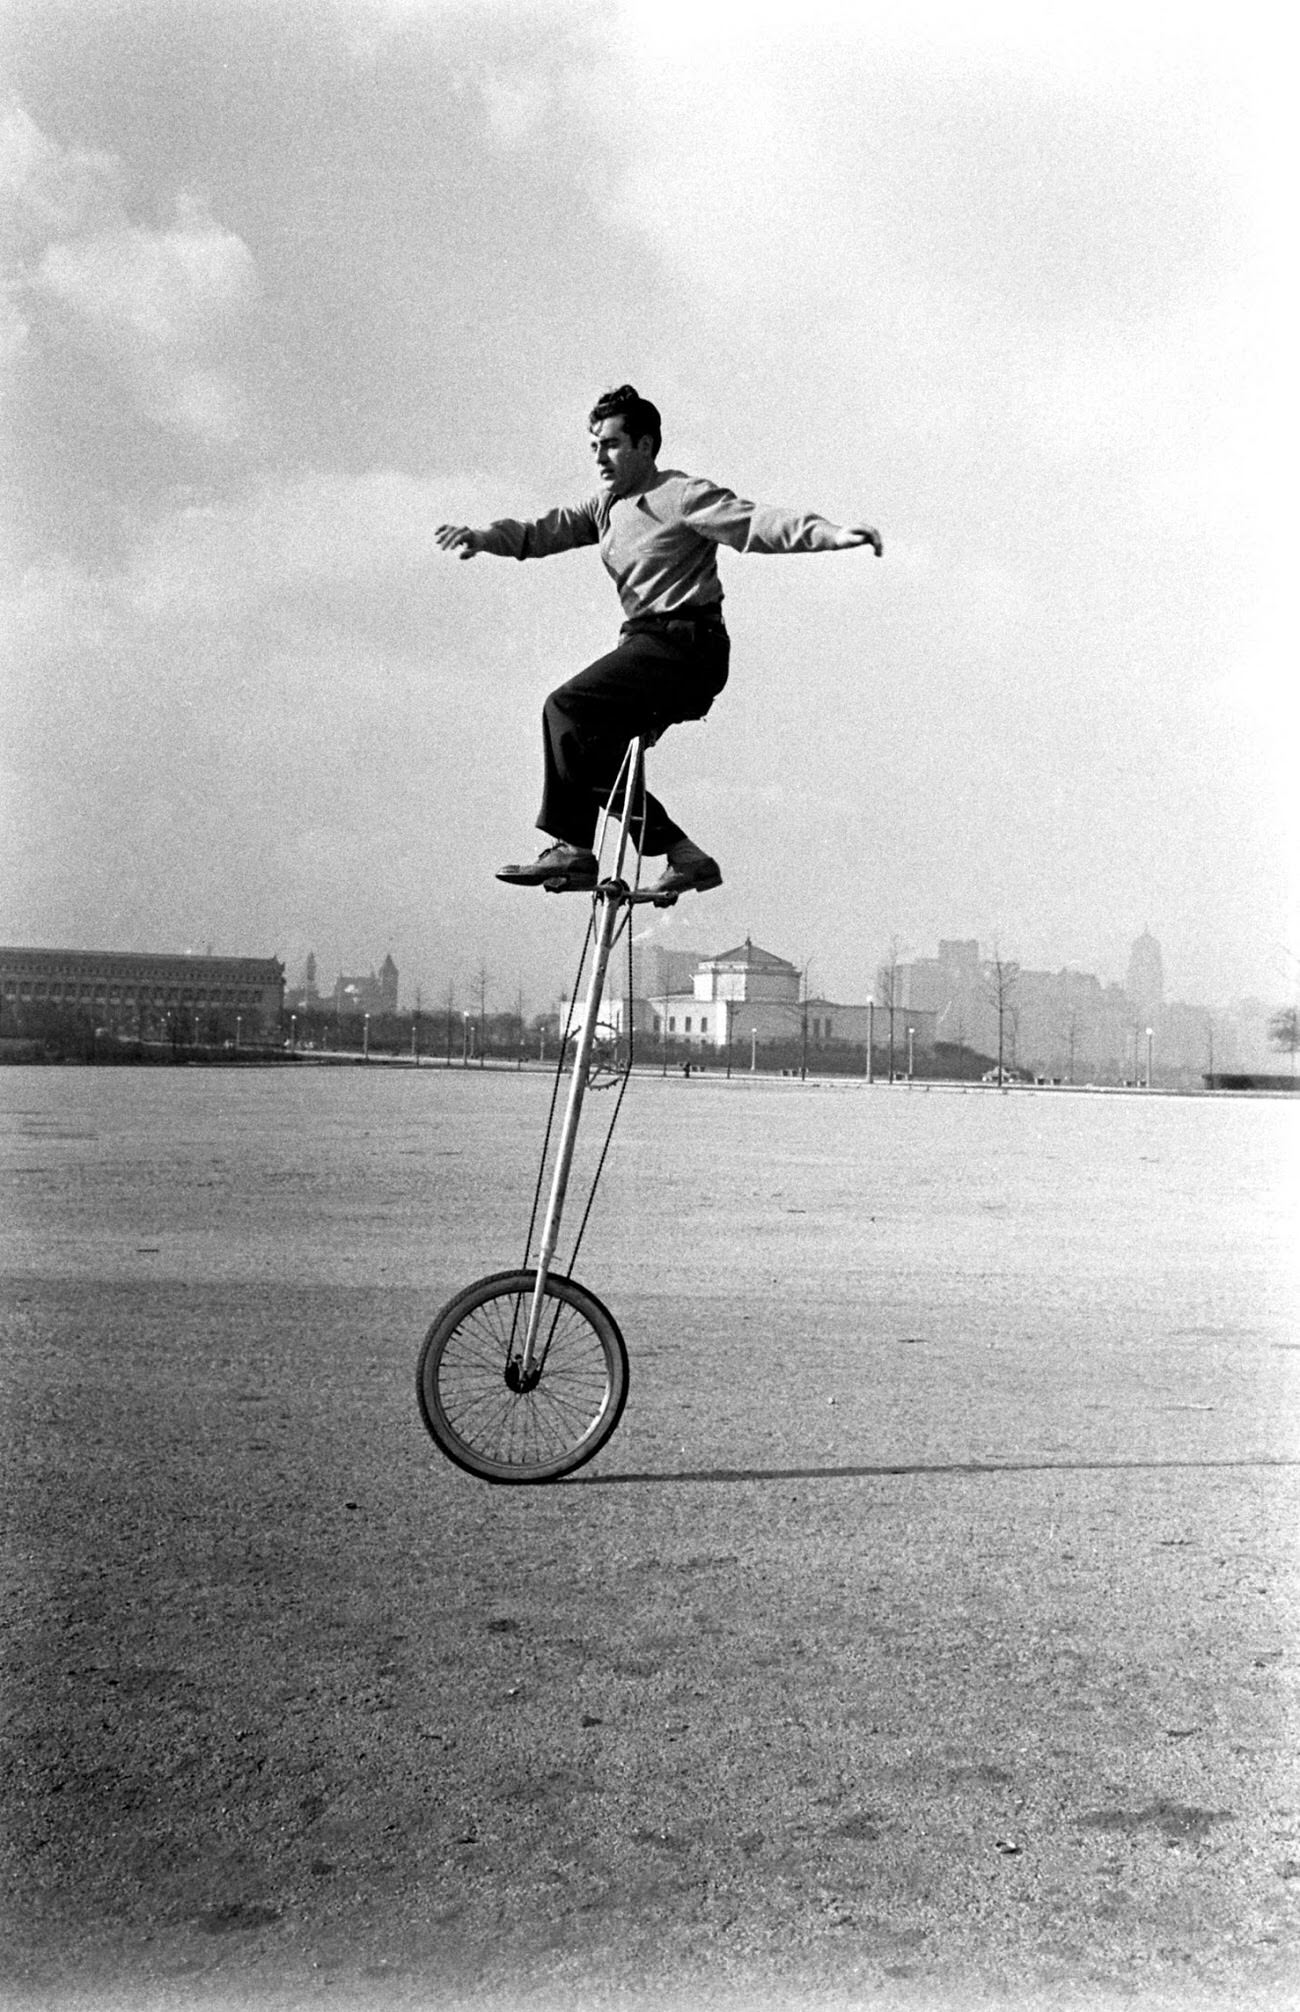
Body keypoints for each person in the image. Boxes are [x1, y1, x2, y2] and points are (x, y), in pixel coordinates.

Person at [435, 385, 882, 898]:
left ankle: (576, 849)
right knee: (590, 752)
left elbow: (754, 522)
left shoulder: (680, 494)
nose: (600, 457)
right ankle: (684, 854)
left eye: (611, 444)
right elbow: (541, 533)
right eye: (594, 446)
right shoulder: (606, 508)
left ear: (645, 446)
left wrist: (831, 534)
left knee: (563, 707)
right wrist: (481, 537)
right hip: (647, 645)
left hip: (687, 645)